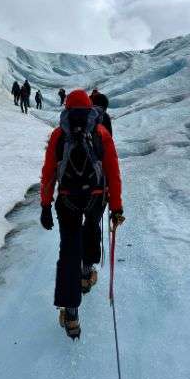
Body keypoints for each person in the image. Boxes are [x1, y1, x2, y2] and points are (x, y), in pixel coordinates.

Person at [39, 89, 124, 339]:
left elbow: (48, 173)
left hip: (67, 199)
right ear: (90, 109)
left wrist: (45, 205)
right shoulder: (100, 132)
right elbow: (112, 171)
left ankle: (72, 313)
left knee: (68, 250)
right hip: (96, 198)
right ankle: (87, 273)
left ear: (66, 108)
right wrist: (116, 206)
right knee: (91, 229)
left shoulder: (59, 134)